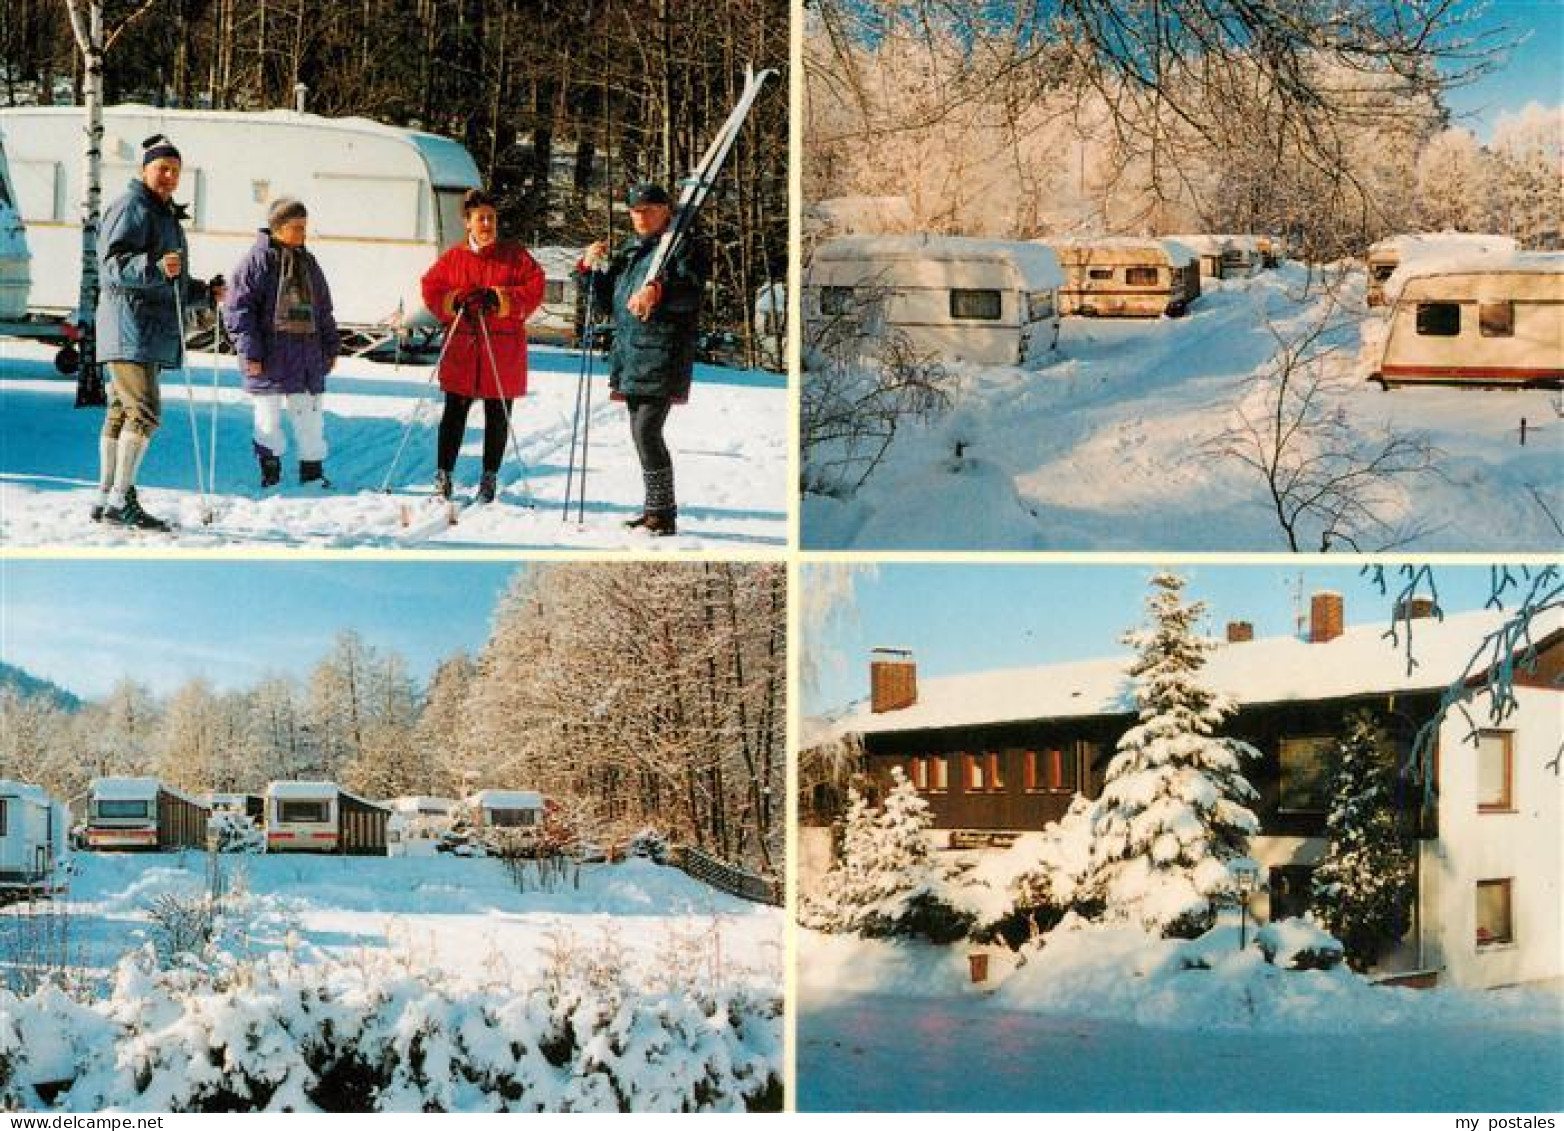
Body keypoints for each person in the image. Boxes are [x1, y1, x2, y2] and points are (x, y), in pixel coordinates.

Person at [92, 133, 226, 530]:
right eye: (161, 168)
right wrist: (152, 267)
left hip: (142, 328)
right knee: (146, 411)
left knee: (122, 412)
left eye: (175, 171)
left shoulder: (163, 213)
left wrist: (206, 293)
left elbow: (173, 280)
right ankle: (119, 500)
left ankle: (107, 498)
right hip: (129, 326)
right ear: (144, 170)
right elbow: (111, 265)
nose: (168, 176)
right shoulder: (132, 206)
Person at [580, 181, 709, 536]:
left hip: (663, 354)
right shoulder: (631, 250)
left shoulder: (683, 248)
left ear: (666, 210)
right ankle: (657, 509)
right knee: (641, 433)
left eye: (648, 210)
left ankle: (663, 514)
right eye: (635, 211)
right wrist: (590, 270)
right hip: (631, 355)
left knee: (646, 431)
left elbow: (691, 293)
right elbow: (608, 303)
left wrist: (658, 290)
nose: (640, 217)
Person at [419, 188, 545, 504]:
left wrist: (502, 299)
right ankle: (443, 475)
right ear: (468, 222)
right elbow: (431, 288)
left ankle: (489, 477)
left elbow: (535, 287)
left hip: (502, 348)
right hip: (463, 346)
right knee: (454, 411)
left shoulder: (515, 256)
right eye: (480, 218)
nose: (487, 223)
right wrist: (454, 299)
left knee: (497, 412)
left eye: (491, 217)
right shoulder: (454, 258)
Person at [224, 198, 340, 489]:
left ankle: (312, 471)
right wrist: (249, 351)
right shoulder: (258, 260)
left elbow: (322, 309)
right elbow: (240, 308)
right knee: (267, 417)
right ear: (278, 227)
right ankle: (270, 469)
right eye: (297, 227)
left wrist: (331, 345)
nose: (303, 233)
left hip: (305, 353)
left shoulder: (308, 262)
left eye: (305, 227)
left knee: (310, 415)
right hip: (268, 354)